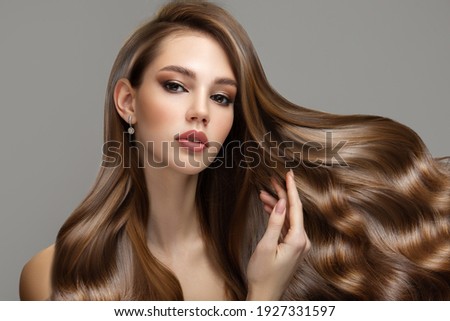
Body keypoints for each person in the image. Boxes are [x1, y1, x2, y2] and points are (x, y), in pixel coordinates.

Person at [20, 0, 449, 300]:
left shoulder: (277, 252)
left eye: (222, 97)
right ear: (128, 103)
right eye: (175, 85)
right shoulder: (57, 276)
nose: (200, 112)